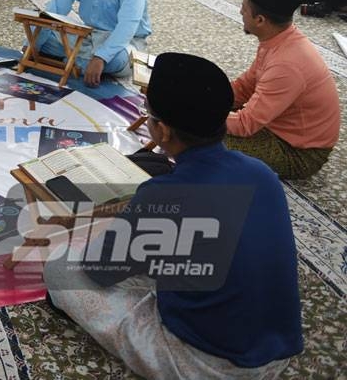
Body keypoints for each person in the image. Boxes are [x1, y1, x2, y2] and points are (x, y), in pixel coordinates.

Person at [44, 52, 303, 379]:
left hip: (210, 366)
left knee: (59, 266)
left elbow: (98, 270)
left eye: (148, 115)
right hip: (278, 351)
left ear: (162, 131)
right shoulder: (261, 172)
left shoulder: (162, 196)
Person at [225, 0, 339, 179]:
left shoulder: (286, 64)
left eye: (243, 8)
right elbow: (245, 87)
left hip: (299, 153)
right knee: (205, 123)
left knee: (199, 139)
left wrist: (196, 114)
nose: (240, 12)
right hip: (276, 126)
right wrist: (204, 98)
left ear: (260, 20)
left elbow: (245, 124)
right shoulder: (277, 39)